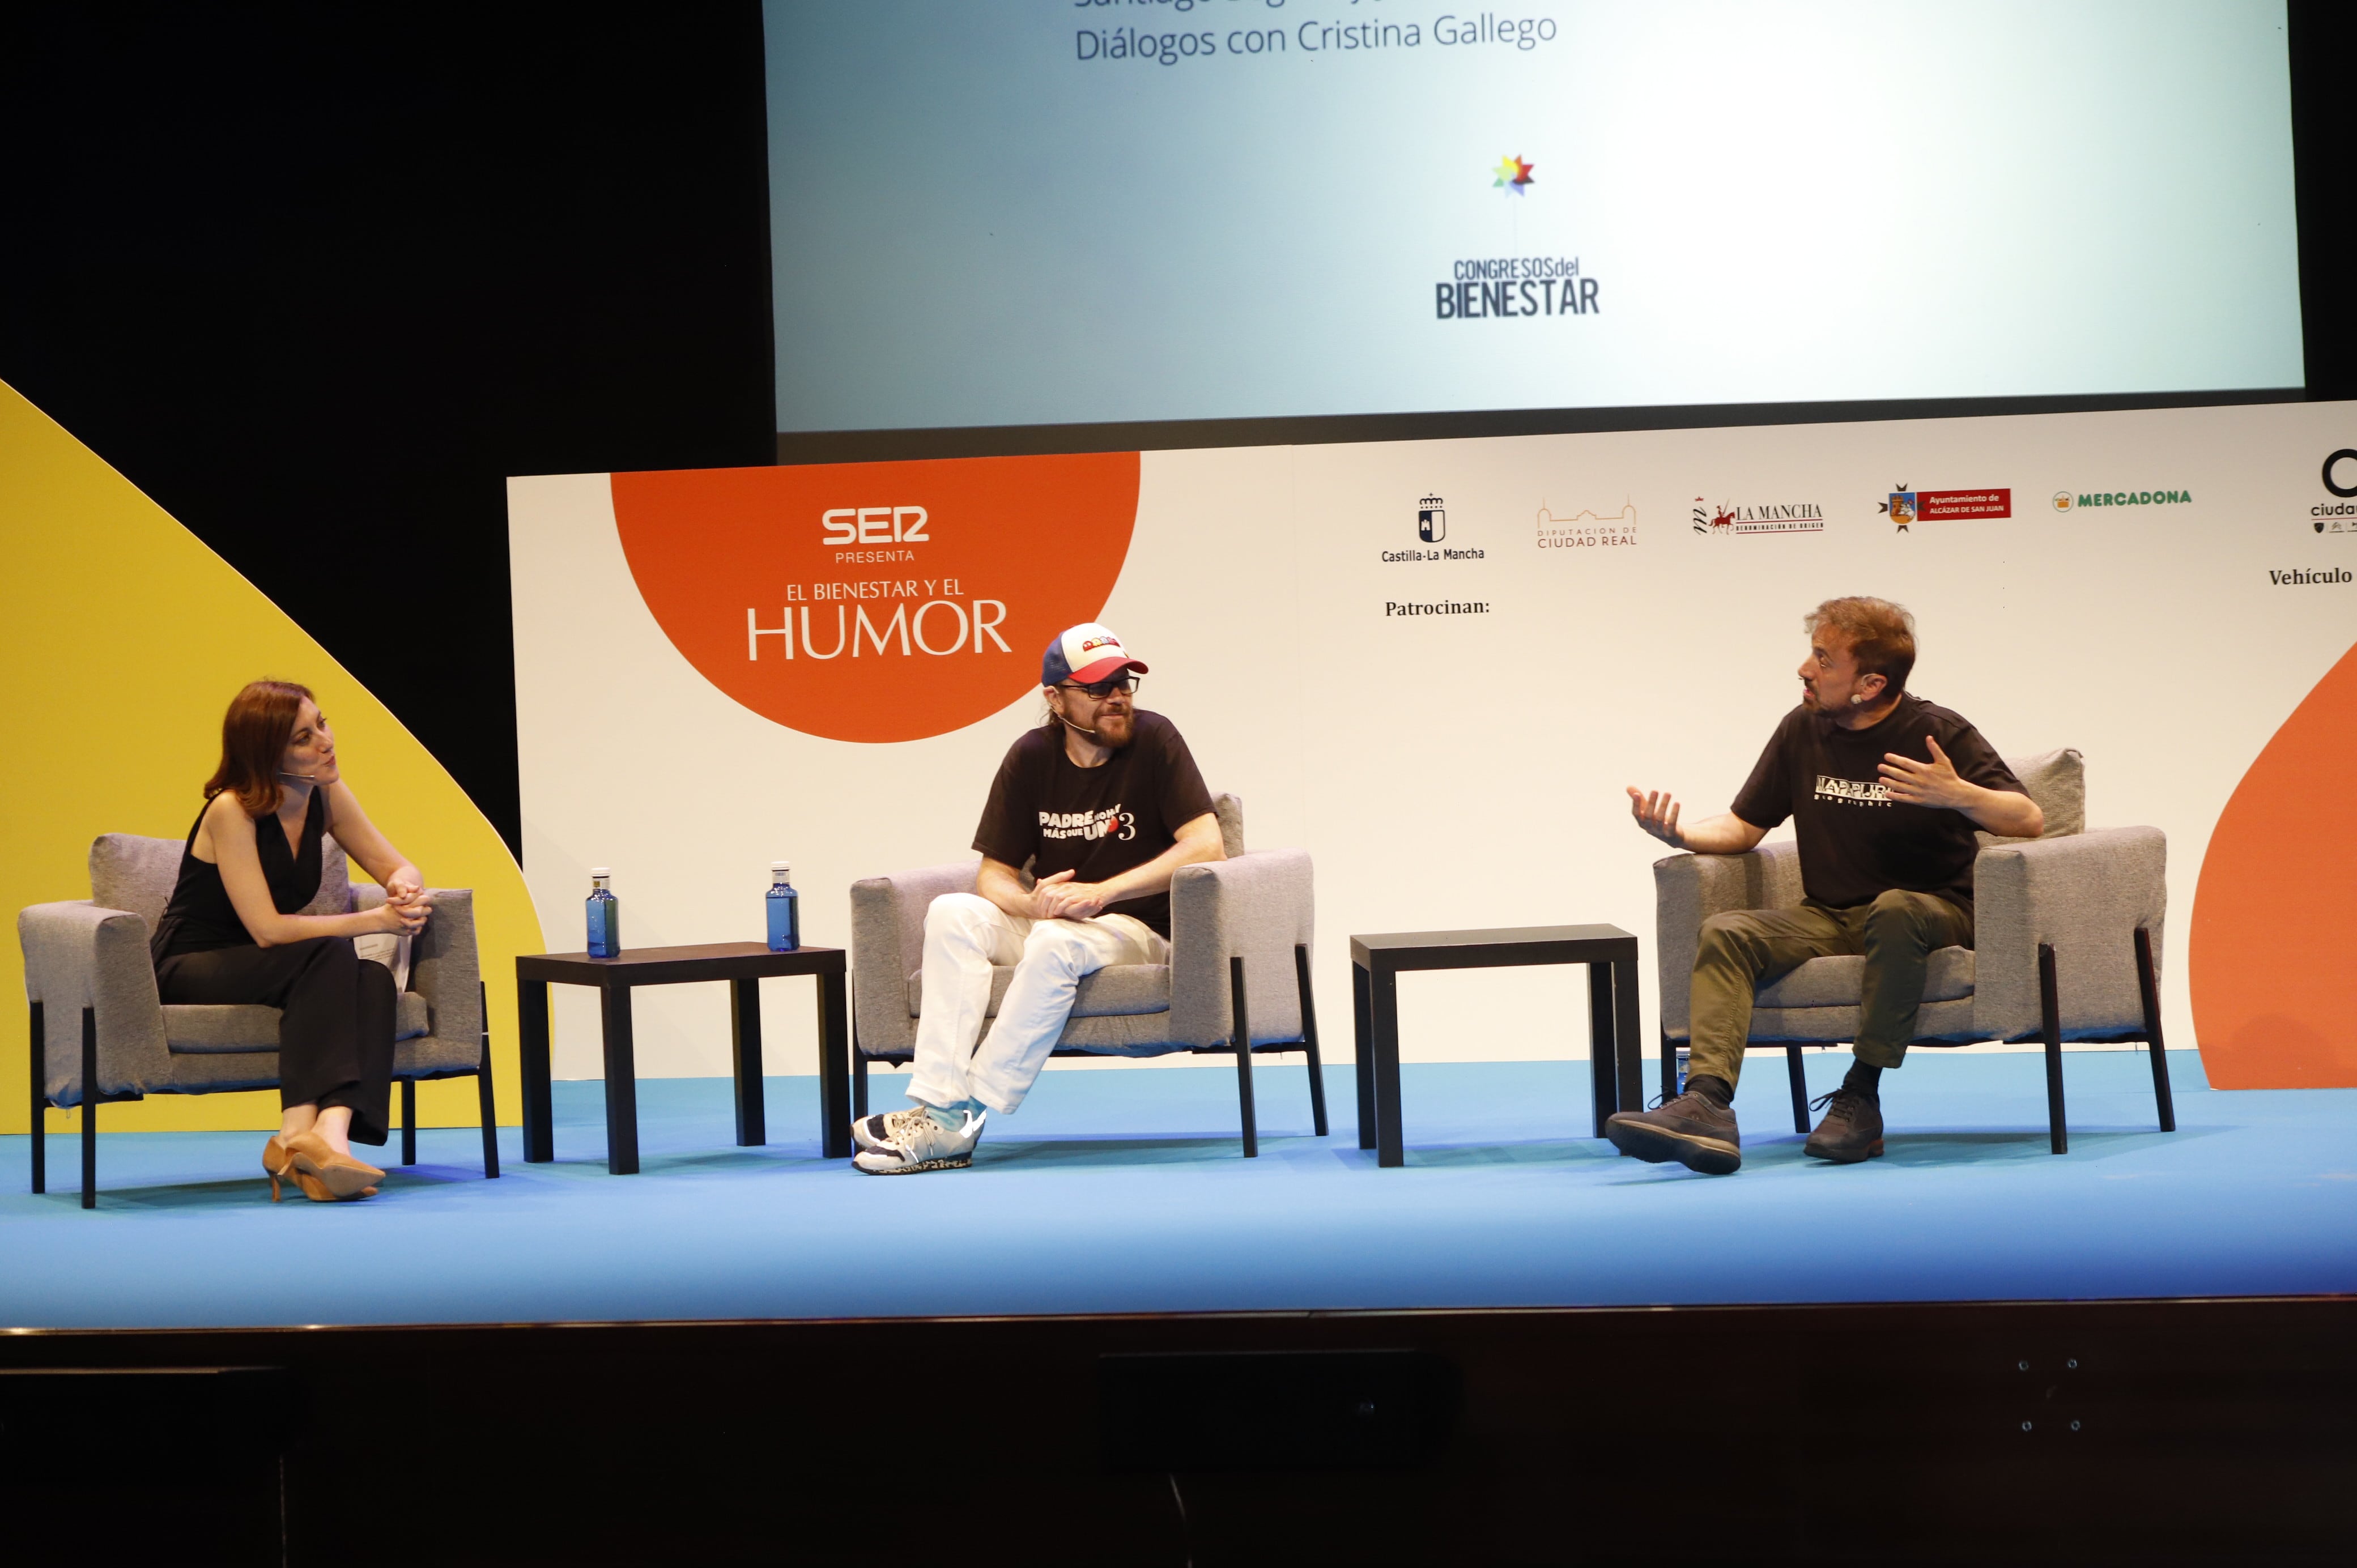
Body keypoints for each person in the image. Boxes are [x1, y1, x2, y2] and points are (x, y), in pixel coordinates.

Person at [1609, 597, 2043, 1174]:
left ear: (1869, 682)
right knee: (1727, 930)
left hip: (1933, 910)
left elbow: (2028, 818)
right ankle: (1706, 1103)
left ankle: (1859, 1096)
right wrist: (1680, 833)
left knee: (1893, 909)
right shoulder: (1801, 730)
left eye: (1821, 659)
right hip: (1830, 915)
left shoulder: (1935, 731)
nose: (1804, 669)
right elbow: (1744, 824)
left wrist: (1959, 793)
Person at [852, 623, 1224, 1174]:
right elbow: (994, 876)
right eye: (1097, 688)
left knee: (1054, 942)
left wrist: (1103, 891)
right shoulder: (1030, 756)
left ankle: (960, 1121)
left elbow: (1207, 844)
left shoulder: (1155, 740)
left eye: (1123, 683)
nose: (1117, 697)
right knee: (951, 912)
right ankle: (937, 1103)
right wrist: (1034, 903)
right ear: (1054, 698)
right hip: (1055, 919)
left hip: (1133, 930)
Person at [150, 680, 433, 1201]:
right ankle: (293, 1132)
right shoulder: (231, 810)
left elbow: (394, 862)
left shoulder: (325, 792)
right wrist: (374, 920)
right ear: (268, 755)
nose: (325, 742)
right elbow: (268, 929)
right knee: (332, 950)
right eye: (304, 738)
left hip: (274, 963)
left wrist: (403, 886)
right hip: (193, 962)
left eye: (322, 724)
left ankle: (332, 1138)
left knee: (370, 976)